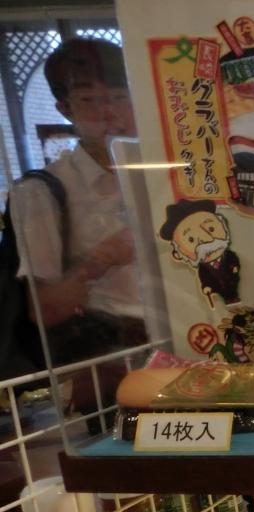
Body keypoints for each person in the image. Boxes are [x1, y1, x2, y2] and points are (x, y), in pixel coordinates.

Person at [8, 39, 145, 407]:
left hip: (178, 344)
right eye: (89, 100)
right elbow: (44, 310)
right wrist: (101, 259)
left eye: (118, 97)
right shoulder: (40, 192)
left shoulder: (157, 171)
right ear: (65, 108)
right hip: (105, 365)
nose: (109, 112)